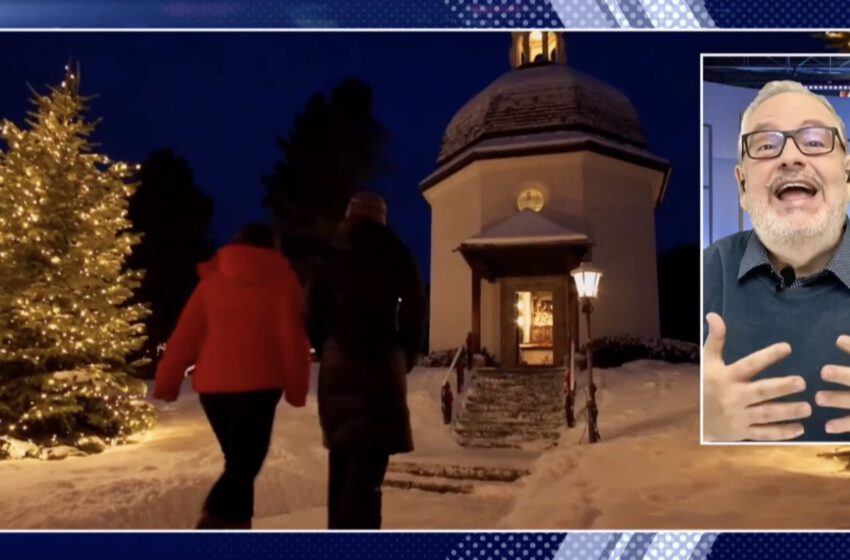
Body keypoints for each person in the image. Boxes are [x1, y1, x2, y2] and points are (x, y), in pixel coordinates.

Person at [704, 80, 850, 442]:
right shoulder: (708, 272)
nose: (790, 156)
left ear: (848, 177)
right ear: (741, 187)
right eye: (766, 145)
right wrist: (702, 427)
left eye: (815, 141)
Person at [153, 222, 311, 529]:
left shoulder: (213, 281)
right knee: (244, 464)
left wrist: (168, 380)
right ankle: (211, 525)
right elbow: (292, 338)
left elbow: (186, 334)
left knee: (238, 460)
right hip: (260, 387)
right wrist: (296, 388)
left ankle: (237, 531)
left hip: (214, 390)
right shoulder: (282, 279)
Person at [306, 191, 426, 529]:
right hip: (381, 367)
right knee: (369, 470)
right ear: (381, 219)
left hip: (338, 366)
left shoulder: (329, 254)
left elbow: (310, 312)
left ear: (349, 215)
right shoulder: (398, 254)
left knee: (341, 460)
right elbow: (415, 311)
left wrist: (329, 344)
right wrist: (404, 354)